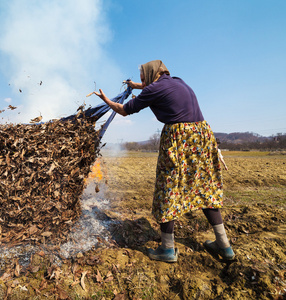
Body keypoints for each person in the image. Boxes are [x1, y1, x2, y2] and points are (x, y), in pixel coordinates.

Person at [94, 60, 235, 263]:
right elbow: (153, 88)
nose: (142, 80)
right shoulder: (177, 81)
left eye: (143, 76)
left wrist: (106, 100)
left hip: (180, 138)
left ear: (152, 74)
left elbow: (124, 110)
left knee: (167, 189)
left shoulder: (154, 89)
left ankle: (167, 250)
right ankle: (224, 245)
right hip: (202, 135)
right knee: (205, 188)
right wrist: (134, 85)